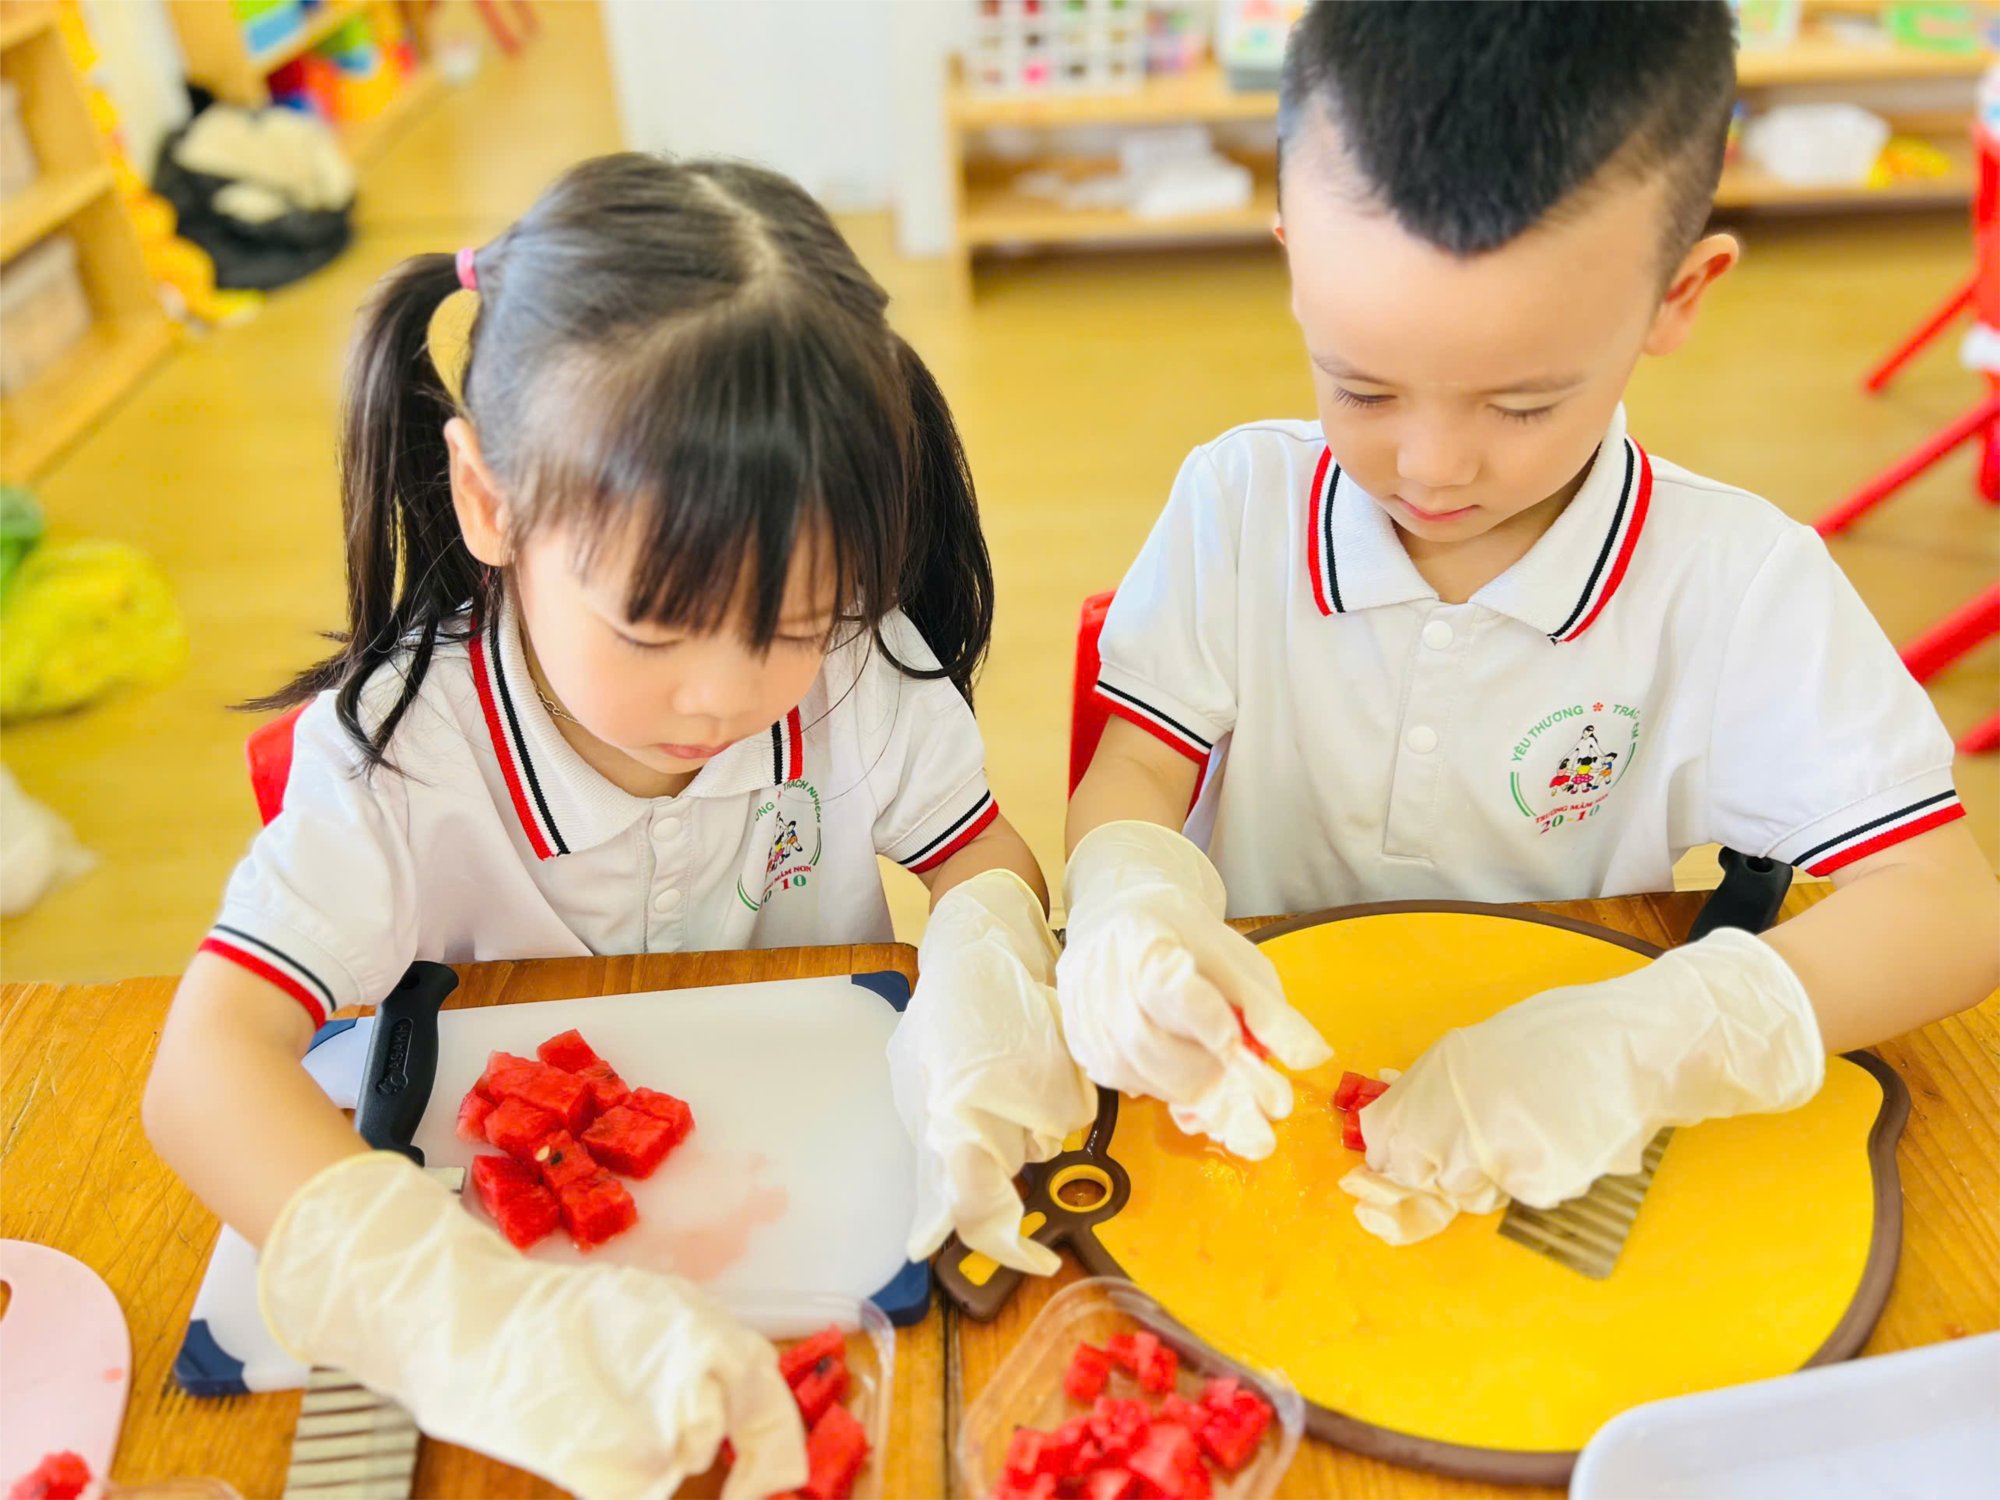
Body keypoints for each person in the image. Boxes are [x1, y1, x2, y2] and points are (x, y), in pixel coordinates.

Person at [143, 153, 1094, 1500]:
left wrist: (991, 961)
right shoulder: (399, 758)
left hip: (817, 1210)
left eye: (791, 623)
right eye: (653, 630)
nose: (723, 697)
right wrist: (462, 1313)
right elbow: (202, 1067)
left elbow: (978, 854)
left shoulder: (860, 672)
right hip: (522, 1299)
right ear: (491, 503)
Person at [1058, 0, 2000, 1243]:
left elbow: (1945, 910)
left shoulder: (1733, 584)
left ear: (1677, 294)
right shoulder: (1239, 503)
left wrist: (1650, 1041)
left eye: (1519, 405)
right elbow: (1136, 766)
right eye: (1360, 386)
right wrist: (1127, 897)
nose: (1430, 467)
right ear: (1296, 266)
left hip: (1543, 1152)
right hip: (1248, 1109)